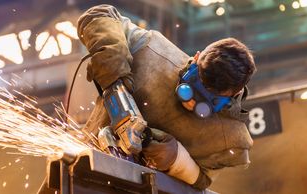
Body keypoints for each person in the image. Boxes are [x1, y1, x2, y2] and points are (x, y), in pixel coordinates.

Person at [76, 4, 256, 190]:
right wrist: (111, 63)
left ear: (235, 93)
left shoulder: (232, 139)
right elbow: (100, 13)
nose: (191, 100)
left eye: (209, 99)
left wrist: (177, 159)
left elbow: (203, 181)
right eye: (193, 85)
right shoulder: (152, 50)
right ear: (196, 57)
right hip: (85, 167)